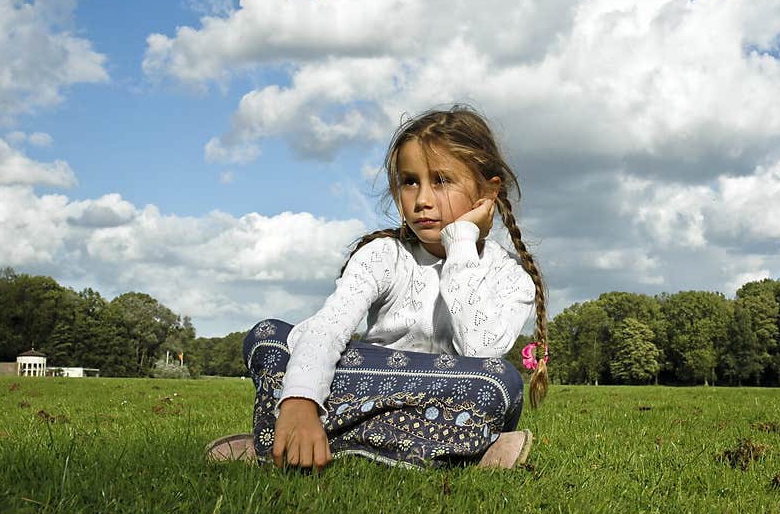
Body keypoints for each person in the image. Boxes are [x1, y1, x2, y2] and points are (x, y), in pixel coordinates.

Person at [206, 104, 549, 470]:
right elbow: (329, 327)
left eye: (441, 181)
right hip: (363, 386)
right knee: (269, 337)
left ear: (487, 192)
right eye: (410, 181)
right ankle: (462, 452)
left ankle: (276, 440)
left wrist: (461, 240)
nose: (422, 200)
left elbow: (479, 349)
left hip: (456, 396)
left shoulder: (511, 278)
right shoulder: (384, 255)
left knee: (499, 383)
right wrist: (301, 400)